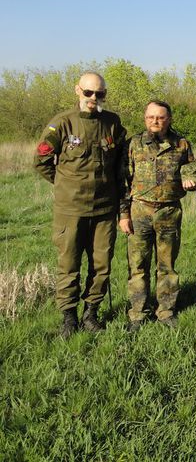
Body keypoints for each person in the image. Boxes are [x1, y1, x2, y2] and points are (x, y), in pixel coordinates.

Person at [34, 72, 127, 337]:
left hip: (104, 209)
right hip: (70, 210)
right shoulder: (62, 123)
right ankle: (69, 317)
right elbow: (41, 161)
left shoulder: (112, 123)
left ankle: (91, 313)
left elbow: (120, 162)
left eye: (99, 94)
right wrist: (65, 185)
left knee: (101, 265)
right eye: (88, 93)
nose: (93, 98)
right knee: (69, 265)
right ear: (78, 90)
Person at [120, 100, 196, 331]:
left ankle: (165, 311)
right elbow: (123, 182)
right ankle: (137, 313)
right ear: (144, 118)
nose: (155, 121)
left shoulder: (181, 144)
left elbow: (194, 171)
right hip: (139, 210)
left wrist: (192, 181)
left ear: (169, 119)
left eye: (160, 117)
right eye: (151, 117)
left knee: (166, 265)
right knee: (137, 265)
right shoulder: (134, 144)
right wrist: (123, 214)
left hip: (169, 211)